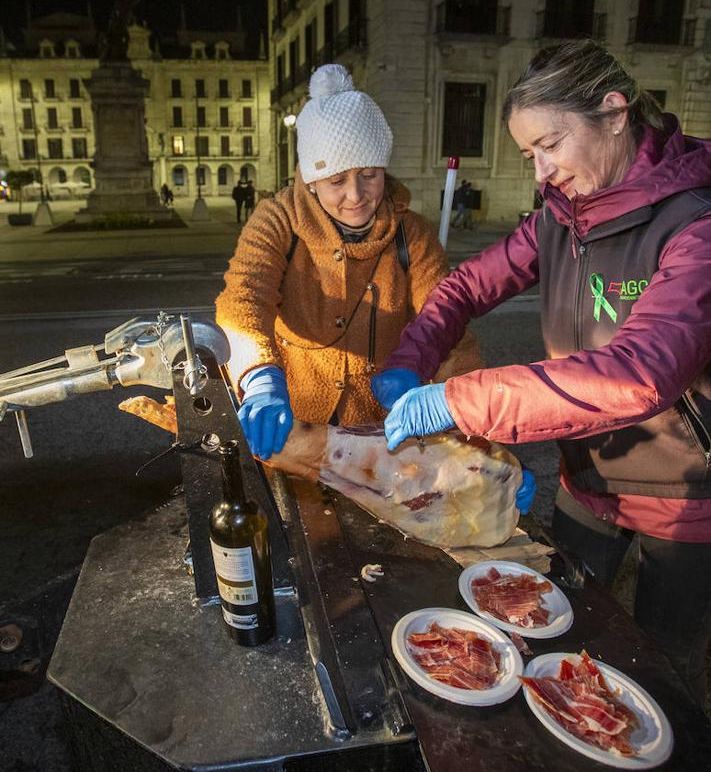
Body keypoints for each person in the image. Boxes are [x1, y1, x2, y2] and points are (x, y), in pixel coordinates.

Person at [373, 39, 711, 707]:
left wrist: (460, 401)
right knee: (559, 633)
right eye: (529, 155)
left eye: (549, 145)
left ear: (613, 113)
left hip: (685, 494)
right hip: (586, 476)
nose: (541, 171)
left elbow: (636, 374)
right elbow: (468, 285)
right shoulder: (561, 216)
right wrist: (411, 357)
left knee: (659, 666)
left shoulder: (693, 225)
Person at [215, 63, 483, 462]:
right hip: (295, 430)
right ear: (311, 181)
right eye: (337, 181)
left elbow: (447, 328)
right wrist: (258, 375)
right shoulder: (277, 220)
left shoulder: (414, 234)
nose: (356, 195)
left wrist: (475, 436)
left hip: (382, 436)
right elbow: (243, 302)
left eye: (370, 174)